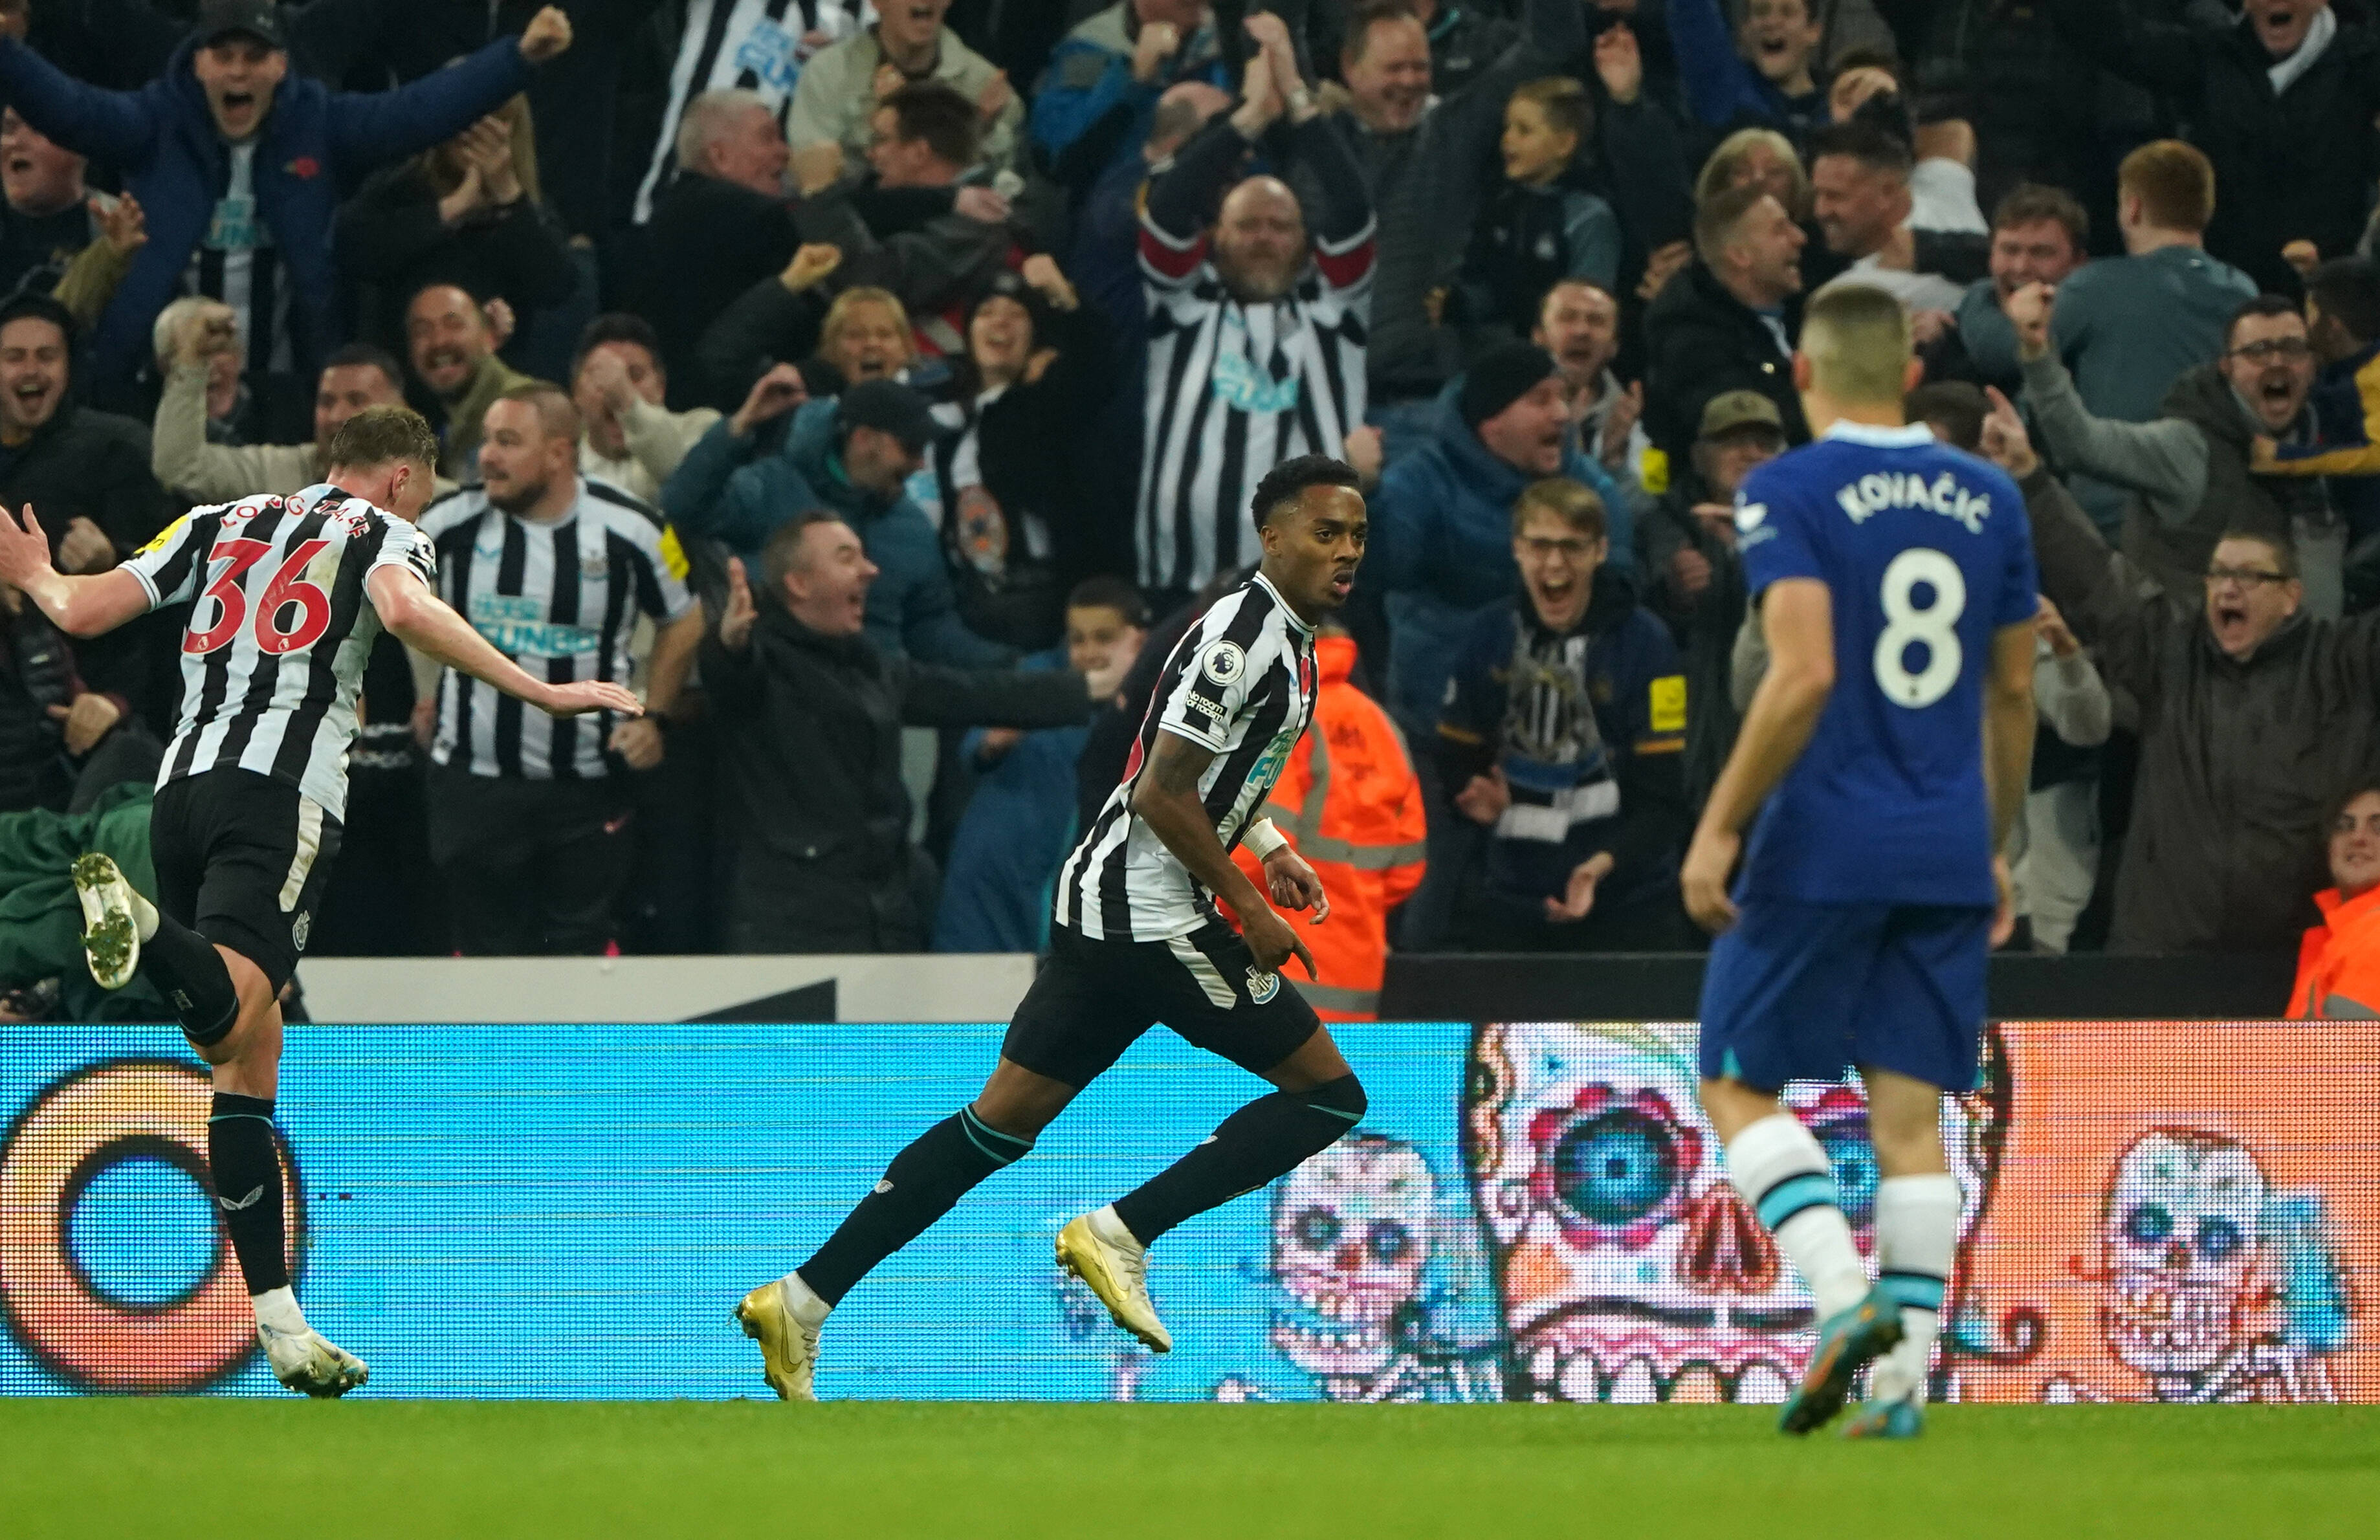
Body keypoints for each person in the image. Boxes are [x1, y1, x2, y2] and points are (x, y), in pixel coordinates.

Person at [0, 404, 639, 1395]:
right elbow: (407, 610)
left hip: (181, 790)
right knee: (235, 1013)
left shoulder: (218, 518)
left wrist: (33, 573)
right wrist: (544, 693)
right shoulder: (385, 530)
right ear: (399, 479)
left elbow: (81, 612)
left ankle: (279, 1321)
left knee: (246, 1058)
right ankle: (137, 922)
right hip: (279, 794)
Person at [733, 455, 1367, 1400]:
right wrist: (1249, 905)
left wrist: (1265, 838)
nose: (1346, 551)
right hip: (1151, 917)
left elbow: (1196, 765)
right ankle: (1121, 1232)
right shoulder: (1245, 640)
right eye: (1326, 533)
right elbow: (1160, 791)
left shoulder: (1282, 635)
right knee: (1326, 1099)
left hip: (1101, 910)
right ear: (1271, 538)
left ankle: (801, 1299)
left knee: (999, 1125)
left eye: (1356, 535)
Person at [1680, 283, 2038, 1439]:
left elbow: (1801, 673)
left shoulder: (1783, 488)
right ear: (1901, 368)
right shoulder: (1988, 497)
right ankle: (1899, 1388)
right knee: (1908, 1117)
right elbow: (2016, 688)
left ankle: (1840, 1300)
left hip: (1825, 833)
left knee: (1734, 1081)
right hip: (1943, 841)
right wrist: (1990, 844)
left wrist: (1718, 823)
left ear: (1803, 373)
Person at [0, 1, 575, 431]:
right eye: (224, 56)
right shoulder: (155, 122)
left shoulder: (317, 123)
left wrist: (516, 59)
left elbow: (414, 113)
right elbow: (69, 109)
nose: (239, 73)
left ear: (281, 65)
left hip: (290, 391)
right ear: (198, 63)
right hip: (161, 386)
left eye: (255, 57)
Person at [1979, 387, 2380, 956]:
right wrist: (2031, 478)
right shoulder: (2172, 649)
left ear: (2292, 596)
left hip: (2293, 961)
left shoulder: (2340, 662)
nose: (2228, 587)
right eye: (2217, 575)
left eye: (2249, 576)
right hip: (2161, 954)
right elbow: (2093, 574)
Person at [414, 386, 701, 956]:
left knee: (580, 951)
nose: (487, 456)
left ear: (559, 453)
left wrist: (656, 720)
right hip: (474, 786)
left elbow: (686, 619)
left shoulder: (635, 528)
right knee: (482, 952)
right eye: (487, 440)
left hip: (587, 788)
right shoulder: (445, 522)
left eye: (509, 441)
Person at [1137, 19, 1373, 599]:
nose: (1264, 237)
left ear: (1303, 241)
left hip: (1311, 597)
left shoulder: (1334, 312)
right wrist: (1245, 119)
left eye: (1280, 225)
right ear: (1217, 236)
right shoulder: (1181, 308)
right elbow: (1167, 212)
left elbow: (1352, 209)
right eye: (1247, 225)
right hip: (1183, 587)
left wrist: (1297, 97)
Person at [1437, 476, 1688, 952]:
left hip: (1631, 909)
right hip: (1511, 904)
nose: (1555, 563)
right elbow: (1454, 763)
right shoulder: (1488, 636)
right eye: (1540, 545)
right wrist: (1469, 798)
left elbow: (1667, 801)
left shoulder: (1648, 645)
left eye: (1572, 547)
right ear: (1518, 549)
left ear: (1600, 551)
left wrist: (1598, 868)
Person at [2008, 283, 2339, 621]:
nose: (2277, 362)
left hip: (2318, 665)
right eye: (2258, 351)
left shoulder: (2342, 445)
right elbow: (2082, 443)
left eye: (2293, 348)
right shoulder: (2187, 448)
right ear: (2228, 368)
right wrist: (2038, 354)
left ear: (2313, 364)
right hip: (2193, 666)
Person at [1367, 340, 1629, 733]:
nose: (1562, 414)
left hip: (1565, 720)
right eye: (1540, 401)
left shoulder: (1589, 485)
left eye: (1563, 398)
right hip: (1441, 718)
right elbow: (1375, 568)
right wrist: (1364, 496)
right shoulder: (1423, 480)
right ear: (1492, 423)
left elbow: (1622, 581)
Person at [663, 374, 1009, 666]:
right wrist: (738, 427)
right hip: (779, 697)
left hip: (876, 706)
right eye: (910, 448)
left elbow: (928, 627)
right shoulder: (772, 487)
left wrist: (1010, 665)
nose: (920, 464)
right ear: (863, 439)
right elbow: (684, 507)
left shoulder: (912, 525)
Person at [2056, 0, 2380, 298]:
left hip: (2333, 298)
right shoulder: (2211, 58)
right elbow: (2111, 36)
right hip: (2225, 295)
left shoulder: (2362, 63)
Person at [2028, 141, 2257, 536]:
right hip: (2218, 524)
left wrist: (1977, 303)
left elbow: (2007, 345)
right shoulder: (2244, 294)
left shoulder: (2094, 287)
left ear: (2132, 208)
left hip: (2111, 524)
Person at [935, 577, 1150, 953]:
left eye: (1104, 638)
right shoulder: (1037, 679)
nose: (1088, 652)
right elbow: (976, 749)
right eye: (1077, 639)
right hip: (993, 874)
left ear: (1139, 641)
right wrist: (995, 741)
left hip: (1068, 883)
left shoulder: (1150, 706)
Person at [335, 92, 578, 363]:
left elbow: (557, 287)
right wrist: (453, 208)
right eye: (464, 119)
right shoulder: (400, 186)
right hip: (402, 379)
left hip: (495, 383)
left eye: (491, 124)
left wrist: (509, 195)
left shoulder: (527, 210)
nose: (472, 134)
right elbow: (349, 246)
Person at [1637, 390, 1786, 813]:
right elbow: (1647, 610)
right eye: (1732, 442)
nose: (1751, 453)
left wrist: (1746, 555)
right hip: (1687, 729)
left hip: (1770, 722)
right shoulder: (1665, 520)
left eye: (1764, 443)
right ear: (1700, 455)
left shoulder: (1800, 527)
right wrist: (1676, 593)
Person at [151, 303, 424, 501]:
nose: (336, 416)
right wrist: (191, 362)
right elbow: (181, 468)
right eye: (326, 402)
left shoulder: (433, 500)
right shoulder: (280, 473)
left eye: (357, 401)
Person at [639, 89, 801, 408]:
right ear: (719, 157)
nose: (784, 152)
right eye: (767, 138)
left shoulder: (673, 209)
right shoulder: (752, 215)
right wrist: (824, 194)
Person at [1644, 184, 1809, 462]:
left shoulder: (1796, 312)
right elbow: (1753, 432)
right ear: (1740, 256)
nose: (1800, 238)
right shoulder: (1691, 340)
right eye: (1780, 229)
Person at [786, 0, 1022, 176]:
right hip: (850, 230)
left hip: (951, 235)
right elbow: (812, 178)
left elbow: (1006, 190)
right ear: (877, 2)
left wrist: (981, 129)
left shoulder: (985, 85)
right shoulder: (829, 72)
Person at [568, 313, 721, 505]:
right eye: (602, 376)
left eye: (635, 375)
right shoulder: (563, 465)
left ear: (661, 387)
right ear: (576, 393)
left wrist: (628, 402)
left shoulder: (702, 428)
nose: (615, 387)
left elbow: (685, 483)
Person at [1952, 184, 2089, 395]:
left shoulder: (2092, 338)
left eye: (2042, 253)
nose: (2021, 267)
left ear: (2078, 263)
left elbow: (2002, 354)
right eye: (2009, 250)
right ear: (1991, 255)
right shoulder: (1954, 336)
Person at [405, 281, 538, 478]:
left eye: (454, 325)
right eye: (423, 331)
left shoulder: (523, 407)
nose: (439, 341)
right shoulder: (442, 417)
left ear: (489, 336)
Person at [1668, 0, 1827, 153]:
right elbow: (1693, 15)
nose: (1771, 23)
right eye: (1761, 12)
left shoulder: (1838, 108)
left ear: (1813, 31)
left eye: (1787, 12)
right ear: (1745, 29)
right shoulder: (1725, 92)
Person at [1534, 278, 1647, 488]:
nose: (1581, 331)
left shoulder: (1635, 423)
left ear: (1614, 346)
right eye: (1567, 318)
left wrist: (1613, 462)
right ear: (1538, 336)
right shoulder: (1508, 412)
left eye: (1596, 321)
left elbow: (1653, 502)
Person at [2288, 782, 2380, 1019]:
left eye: (2378, 827)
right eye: (2343, 826)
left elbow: (2357, 1052)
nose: (2358, 837)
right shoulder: (2332, 937)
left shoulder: (2375, 932)